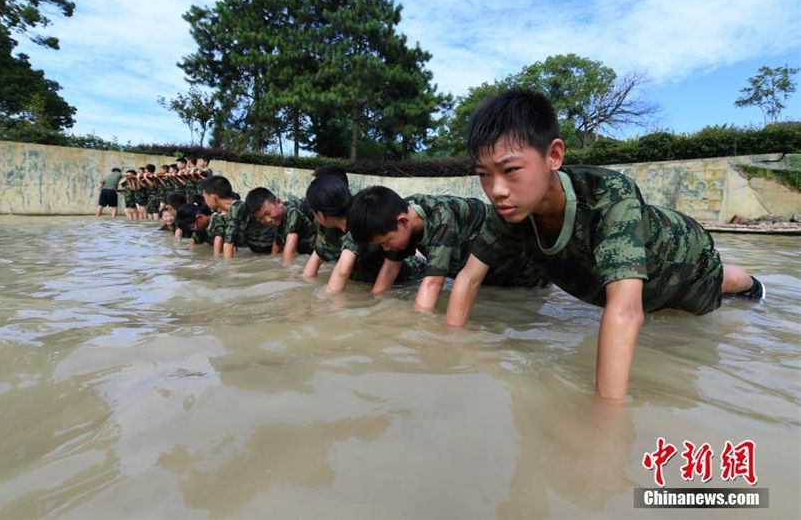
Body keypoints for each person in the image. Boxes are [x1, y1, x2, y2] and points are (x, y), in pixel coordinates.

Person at [445, 88, 765, 401]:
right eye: (484, 174)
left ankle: (752, 284)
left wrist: (606, 417)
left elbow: (625, 312)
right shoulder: (508, 214)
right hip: (639, 289)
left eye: (511, 170)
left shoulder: (607, 194)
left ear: (553, 156)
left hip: (683, 260)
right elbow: (469, 278)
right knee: (656, 311)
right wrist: (448, 350)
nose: (496, 189)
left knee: (718, 282)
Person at [341, 186, 548, 312]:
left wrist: (418, 332)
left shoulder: (441, 217)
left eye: (386, 243)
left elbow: (432, 284)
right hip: (483, 276)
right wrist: (373, 309)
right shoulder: (398, 218)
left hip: (523, 277)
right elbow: (389, 268)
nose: (386, 248)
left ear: (403, 222)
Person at [304, 174, 412, 282]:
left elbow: (342, 272)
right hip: (372, 279)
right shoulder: (334, 231)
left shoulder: (363, 223)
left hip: (405, 276)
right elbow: (315, 260)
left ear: (320, 215)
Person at [202, 176, 274, 257]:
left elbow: (228, 244)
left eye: (204, 196)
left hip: (269, 248)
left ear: (212, 198)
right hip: (262, 253)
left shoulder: (237, 206)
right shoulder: (229, 211)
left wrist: (223, 268)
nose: (204, 199)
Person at [245, 187, 316, 264]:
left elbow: (289, 249)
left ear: (279, 202)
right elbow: (276, 248)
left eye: (268, 213)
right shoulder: (279, 221)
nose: (267, 220)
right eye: (260, 219)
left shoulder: (292, 212)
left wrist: (285, 271)